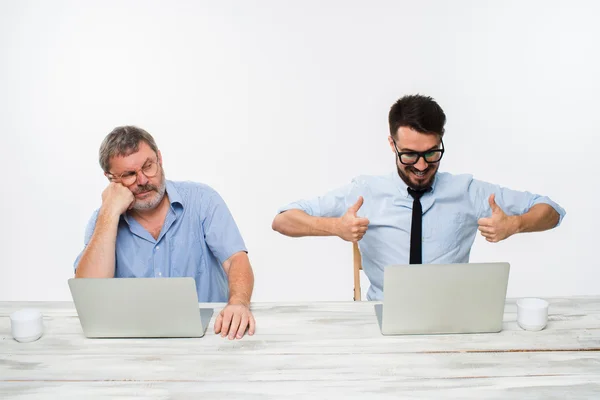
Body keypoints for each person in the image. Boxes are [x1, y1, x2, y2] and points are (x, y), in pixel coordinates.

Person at [272, 94, 566, 301]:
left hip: (451, 313)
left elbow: (551, 210)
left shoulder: (467, 190)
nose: (422, 166)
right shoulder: (365, 191)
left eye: (432, 153)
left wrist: (515, 224)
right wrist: (334, 228)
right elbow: (283, 220)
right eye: (410, 154)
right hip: (382, 310)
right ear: (392, 144)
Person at [74, 126, 255, 339]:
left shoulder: (202, 201)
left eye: (148, 166)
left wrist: (238, 303)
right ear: (111, 179)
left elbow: (236, 259)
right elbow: (91, 295)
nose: (142, 180)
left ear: (159, 158)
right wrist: (110, 213)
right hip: (133, 340)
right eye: (129, 175)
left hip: (210, 335)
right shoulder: (102, 221)